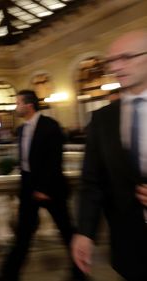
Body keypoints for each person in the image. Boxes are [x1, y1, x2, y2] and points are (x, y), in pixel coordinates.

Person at [72, 30, 147, 281]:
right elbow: (92, 182)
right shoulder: (103, 118)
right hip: (130, 248)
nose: (115, 67)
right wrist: (85, 232)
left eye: (126, 57)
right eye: (111, 61)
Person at [0, 90, 86, 281]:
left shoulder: (51, 126)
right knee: (23, 235)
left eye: (18, 103)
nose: (15, 107)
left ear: (29, 105)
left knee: (67, 233)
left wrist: (43, 188)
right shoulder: (23, 129)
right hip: (28, 188)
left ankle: (80, 274)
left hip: (51, 190)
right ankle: (8, 275)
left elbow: (54, 160)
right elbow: (27, 161)